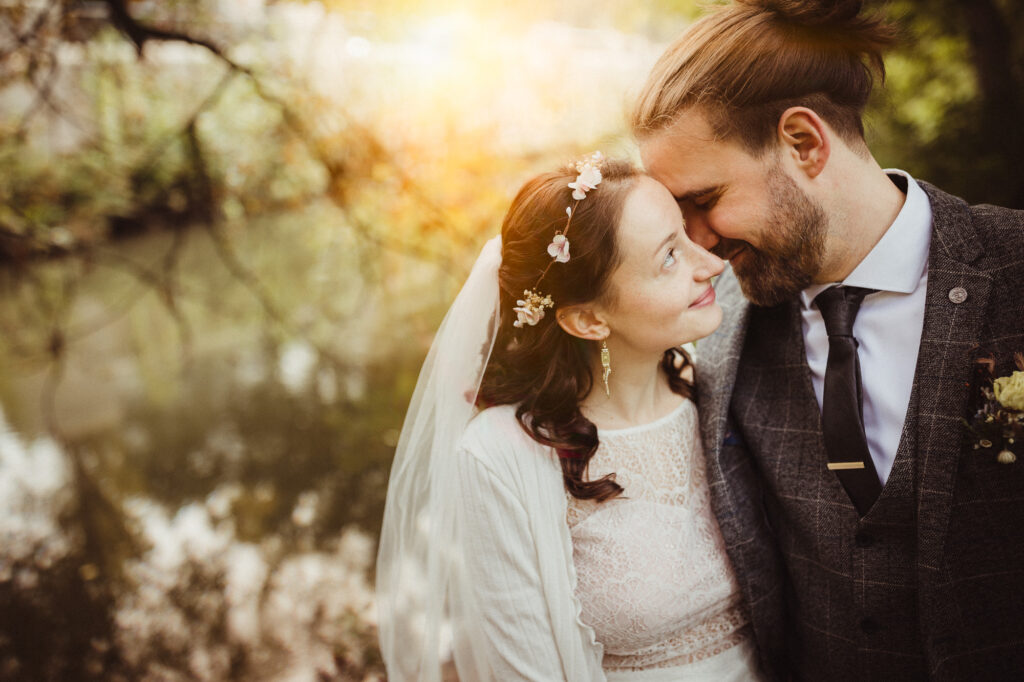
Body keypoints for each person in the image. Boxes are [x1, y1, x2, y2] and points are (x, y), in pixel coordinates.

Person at [630, 1, 1024, 680]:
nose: (698, 243)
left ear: (805, 143)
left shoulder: (1015, 267)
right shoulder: (710, 323)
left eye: (704, 199)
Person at [376, 154, 765, 681]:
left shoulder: (717, 382)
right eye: (669, 258)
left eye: (686, 236)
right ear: (587, 319)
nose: (711, 264)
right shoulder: (500, 456)